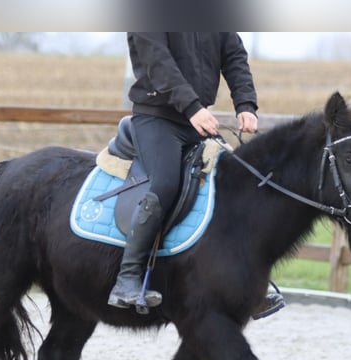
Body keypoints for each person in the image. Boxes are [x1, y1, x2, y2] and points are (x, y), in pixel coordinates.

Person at [107, 33, 284, 319]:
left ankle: (248, 283)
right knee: (165, 184)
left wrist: (246, 104)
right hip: (157, 118)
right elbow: (158, 62)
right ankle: (127, 278)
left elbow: (235, 57)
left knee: (235, 185)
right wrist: (192, 108)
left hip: (197, 120)